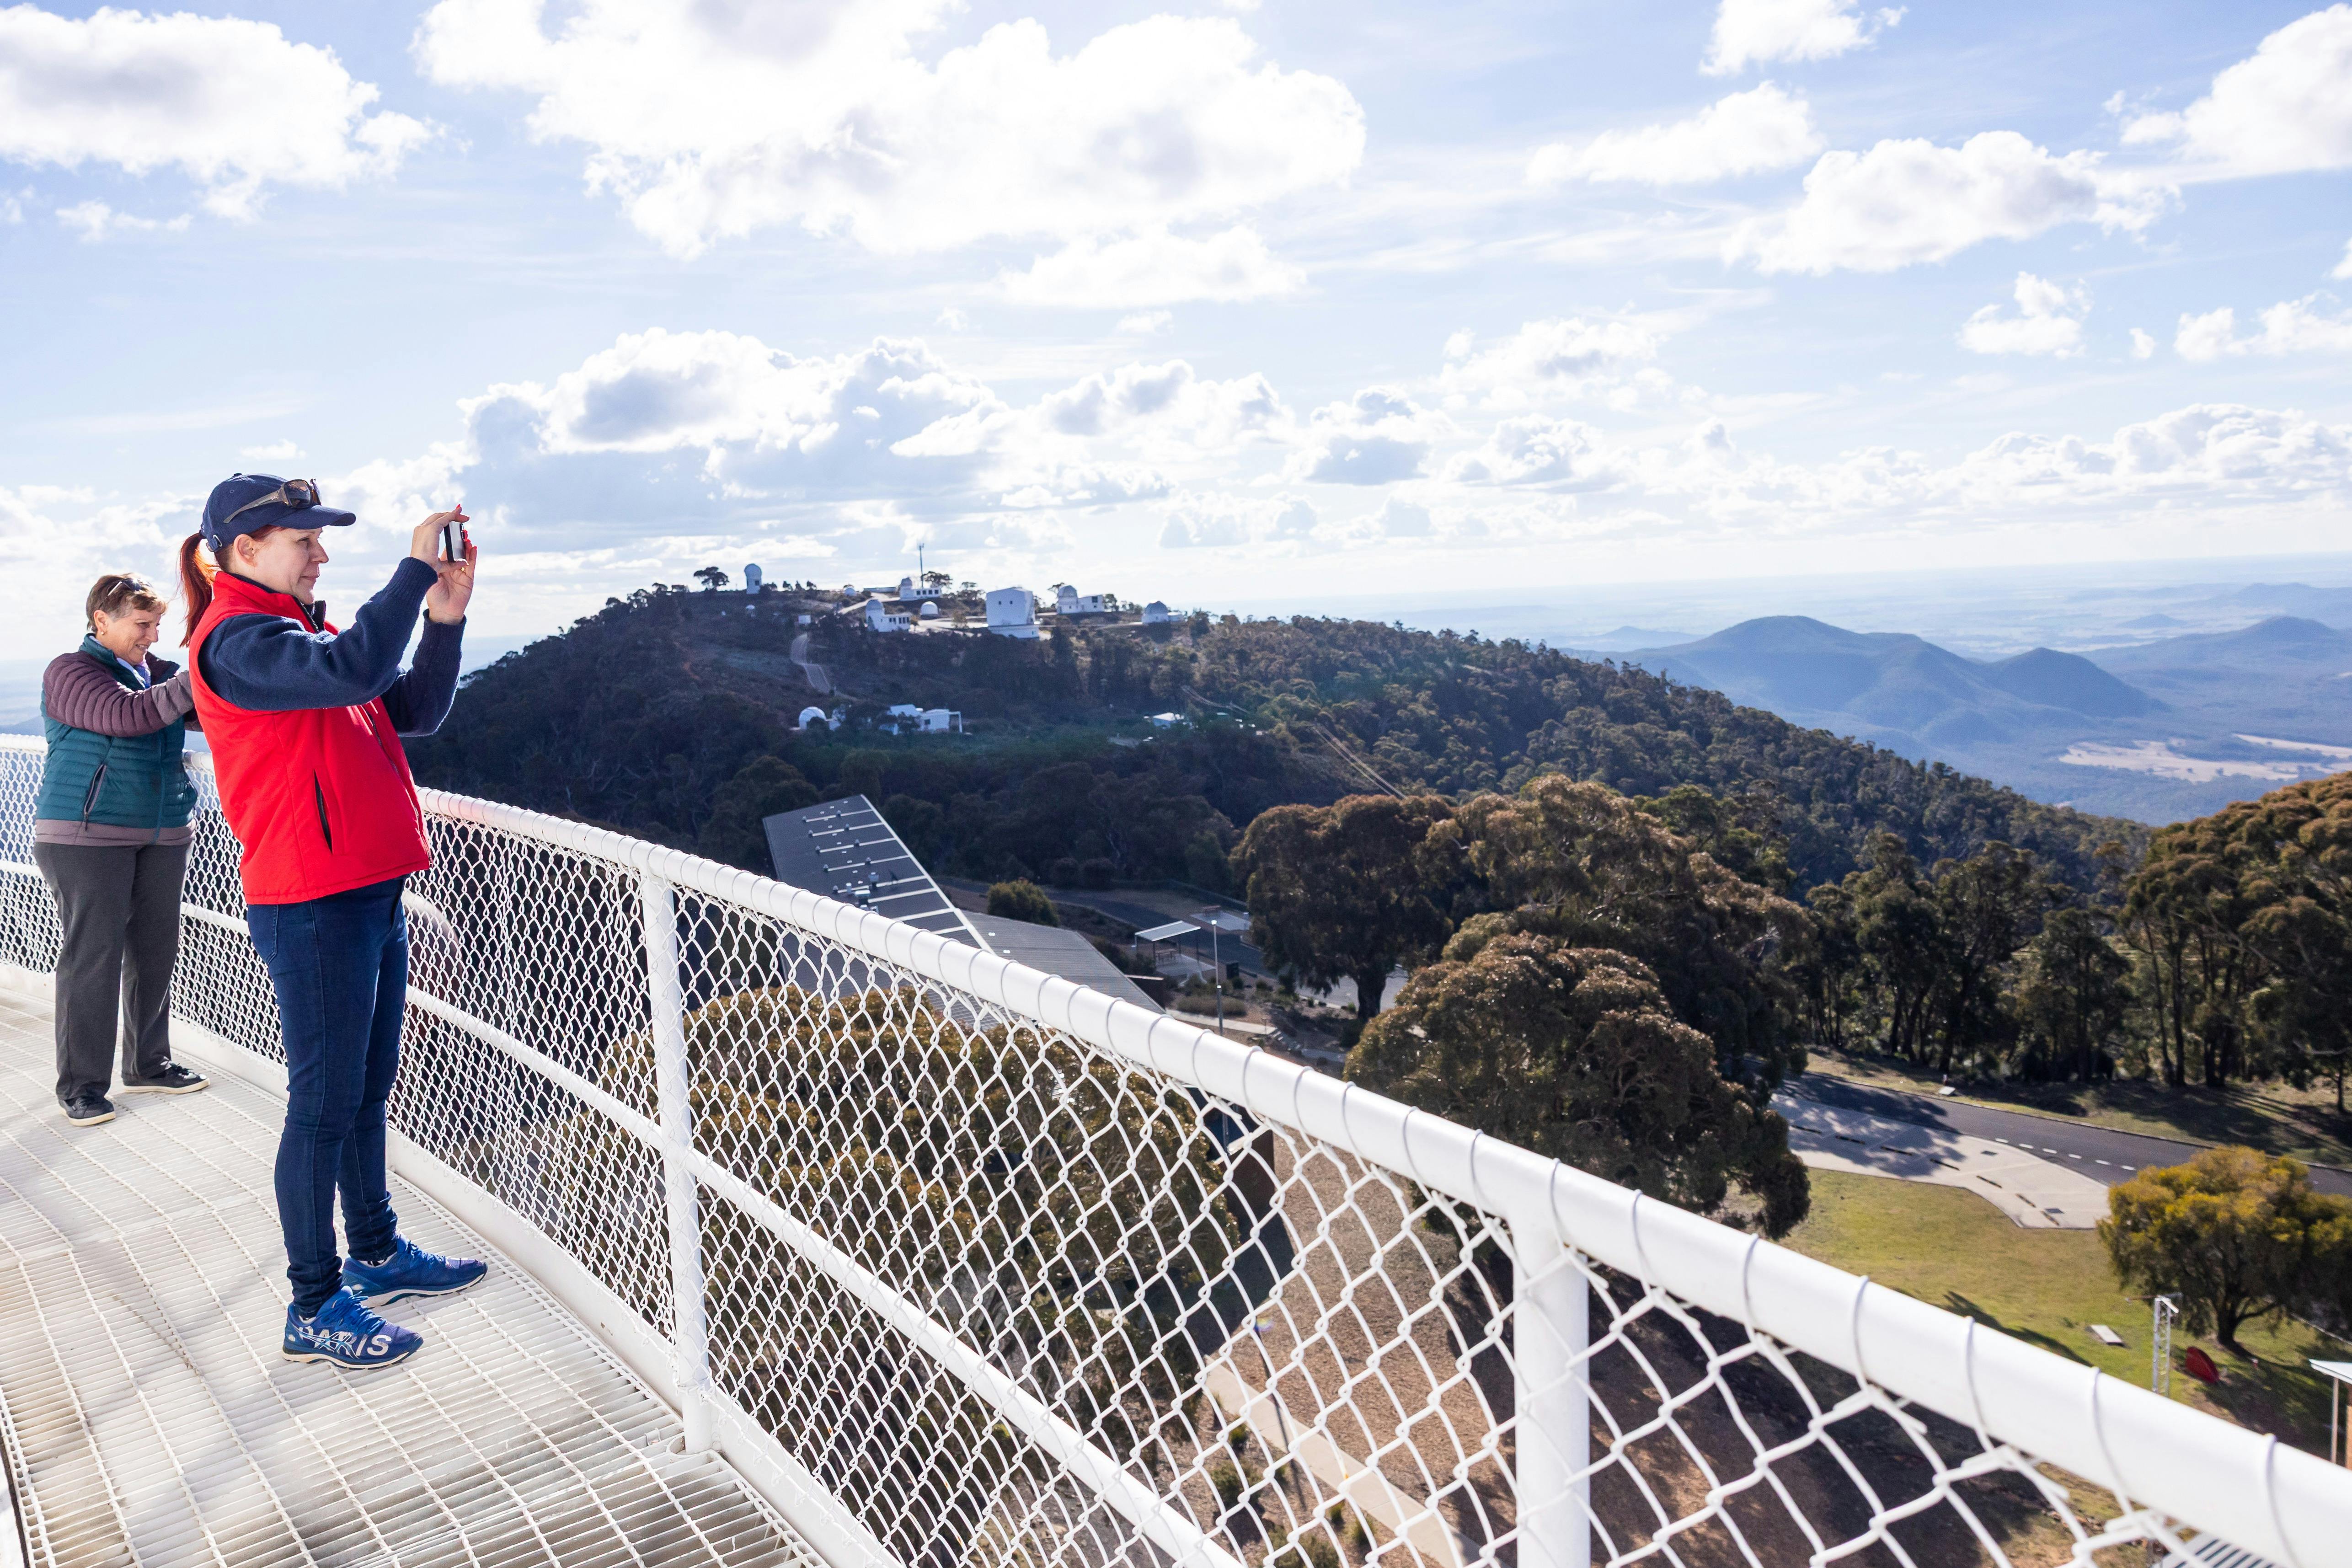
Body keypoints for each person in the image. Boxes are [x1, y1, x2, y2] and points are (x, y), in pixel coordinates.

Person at [181, 473, 488, 1372]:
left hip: (366, 890)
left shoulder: (302, 638)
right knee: (322, 1102)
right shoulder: (238, 641)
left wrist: (444, 615)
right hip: (311, 901)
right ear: (245, 551)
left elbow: (413, 711)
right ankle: (314, 1301)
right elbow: (356, 671)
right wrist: (405, 570)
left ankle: (379, 1253)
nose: (321, 552)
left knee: (363, 1086)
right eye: (303, 539)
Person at [32, 573, 212, 1127]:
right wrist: (201, 672)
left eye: (158, 624)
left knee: (156, 951)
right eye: (142, 624)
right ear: (101, 620)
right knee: (94, 959)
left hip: (162, 832)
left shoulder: (156, 674)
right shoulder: (71, 672)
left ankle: (148, 1064)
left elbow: (207, 715)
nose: (153, 636)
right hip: (86, 835)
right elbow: (127, 716)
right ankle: (82, 1087)